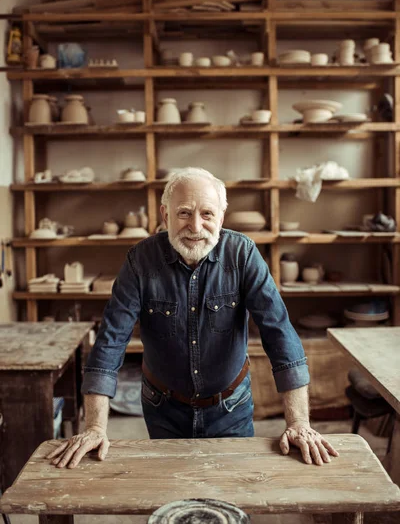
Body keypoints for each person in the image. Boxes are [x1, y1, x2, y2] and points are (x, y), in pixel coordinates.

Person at [47, 167, 339, 470]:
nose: (195, 226)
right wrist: (95, 427)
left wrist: (299, 422)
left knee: (235, 491)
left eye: (207, 214)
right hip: (164, 408)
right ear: (165, 215)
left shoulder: (243, 254)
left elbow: (279, 334)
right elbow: (110, 341)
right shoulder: (140, 261)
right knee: (172, 492)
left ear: (222, 217)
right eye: (184, 213)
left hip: (231, 406)